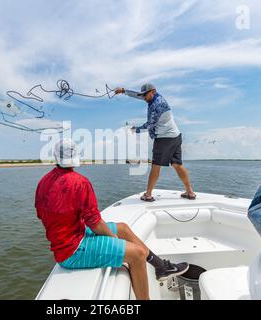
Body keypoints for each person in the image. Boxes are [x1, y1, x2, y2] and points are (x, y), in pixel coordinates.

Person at [35, 139, 189, 300]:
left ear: (55, 156)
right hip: (72, 251)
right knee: (137, 255)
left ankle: (161, 266)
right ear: (76, 157)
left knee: (122, 227)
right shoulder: (80, 182)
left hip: (73, 237)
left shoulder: (43, 182)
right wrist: (112, 239)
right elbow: (95, 223)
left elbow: (43, 215)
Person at [115, 84, 196, 201]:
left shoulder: (156, 106)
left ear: (153, 91)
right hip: (176, 136)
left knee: (156, 165)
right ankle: (190, 192)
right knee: (177, 164)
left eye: (145, 95)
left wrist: (135, 129)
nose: (144, 98)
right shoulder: (155, 96)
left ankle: (148, 195)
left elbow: (149, 125)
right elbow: (139, 96)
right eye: (143, 95)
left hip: (164, 139)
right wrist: (124, 91)